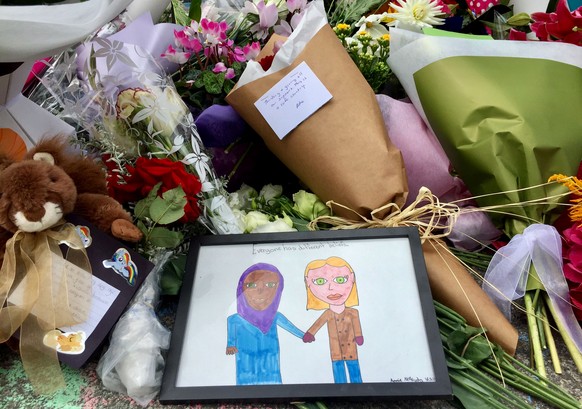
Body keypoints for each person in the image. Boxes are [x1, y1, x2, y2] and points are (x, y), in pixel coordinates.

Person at [226, 262, 304, 385]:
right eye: (251, 284)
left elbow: (289, 326)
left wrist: (303, 335)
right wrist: (230, 344)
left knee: (273, 379)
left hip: (270, 356)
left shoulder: (275, 316)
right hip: (245, 357)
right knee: (245, 380)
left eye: (270, 284)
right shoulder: (234, 319)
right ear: (241, 289)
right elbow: (231, 332)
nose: (260, 290)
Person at [302, 256, 363, 383]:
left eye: (340, 279)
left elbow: (356, 325)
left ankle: (358, 387)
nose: (331, 288)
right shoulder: (327, 314)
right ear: (308, 283)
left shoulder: (353, 312)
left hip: (351, 349)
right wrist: (310, 333)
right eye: (319, 281)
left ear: (352, 278)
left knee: (354, 370)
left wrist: (358, 336)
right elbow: (317, 324)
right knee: (339, 373)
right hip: (335, 351)